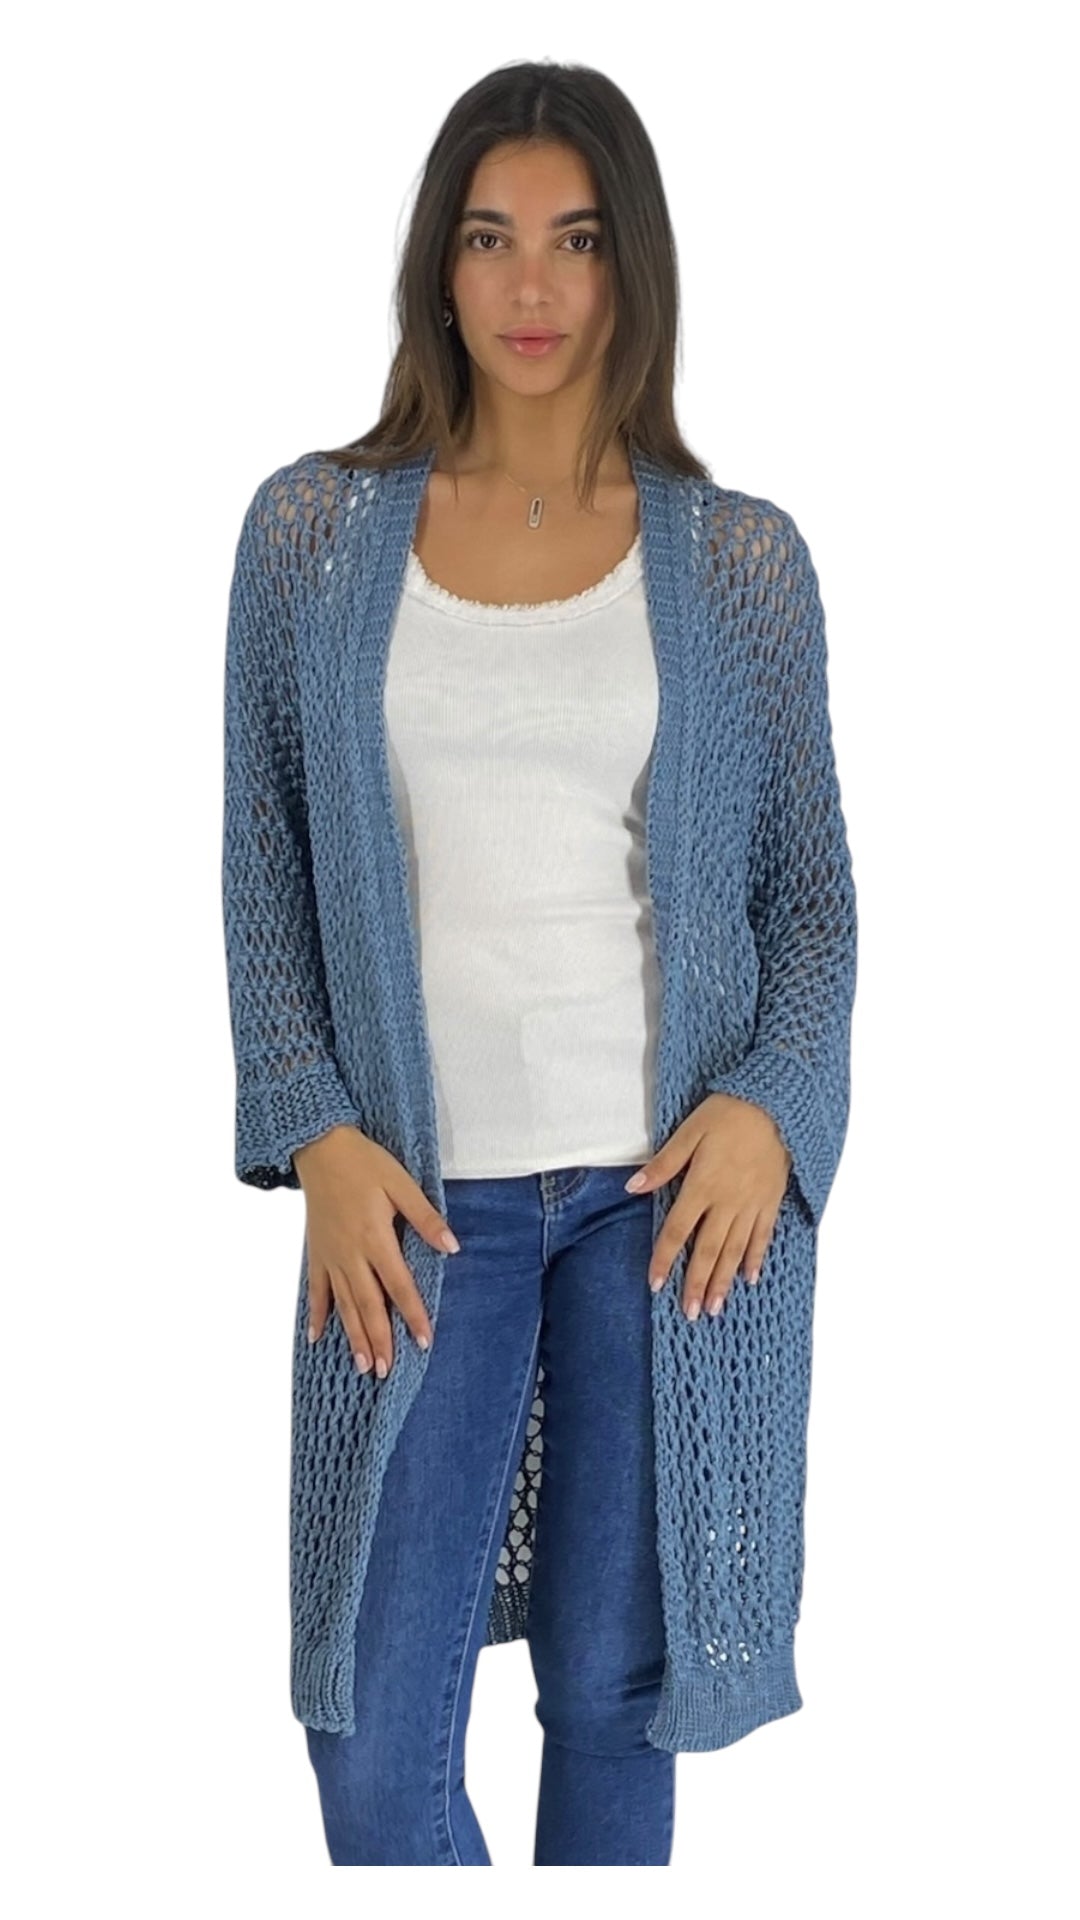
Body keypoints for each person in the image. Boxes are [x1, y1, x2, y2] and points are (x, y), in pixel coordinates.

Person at [221, 59, 858, 1868]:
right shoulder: (313, 537)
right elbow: (262, 870)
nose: (531, 284)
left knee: (611, 1701)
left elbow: (813, 902)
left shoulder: (739, 563)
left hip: (661, 1211)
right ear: (438, 263)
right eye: (490, 237)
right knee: (372, 1732)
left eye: (575, 241)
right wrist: (317, 1134)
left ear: (630, 266)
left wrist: (771, 1109)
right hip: (422, 1211)